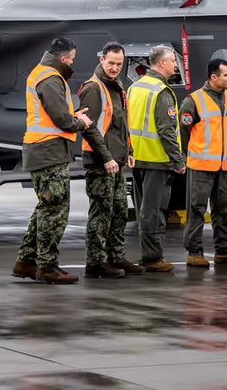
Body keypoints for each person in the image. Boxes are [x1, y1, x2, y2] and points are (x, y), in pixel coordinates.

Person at [13, 37, 102, 284]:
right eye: (71, 58)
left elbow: (54, 114)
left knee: (45, 208)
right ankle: (46, 266)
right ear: (62, 58)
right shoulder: (51, 78)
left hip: (43, 149)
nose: (72, 62)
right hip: (48, 150)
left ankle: (27, 262)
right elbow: (62, 121)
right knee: (55, 211)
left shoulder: (43, 73)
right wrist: (80, 122)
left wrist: (72, 115)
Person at [78, 42, 142, 279]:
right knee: (101, 214)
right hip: (100, 162)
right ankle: (95, 262)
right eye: (111, 63)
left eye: (119, 64)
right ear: (102, 60)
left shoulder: (117, 86)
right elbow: (88, 127)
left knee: (118, 213)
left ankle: (116, 257)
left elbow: (121, 125)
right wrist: (106, 158)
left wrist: (129, 151)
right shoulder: (93, 88)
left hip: (117, 161)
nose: (115, 68)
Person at [179, 58, 227, 268]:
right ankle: (194, 253)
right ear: (213, 77)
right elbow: (183, 133)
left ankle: (224, 251)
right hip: (200, 166)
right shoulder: (193, 101)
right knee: (196, 210)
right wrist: (190, 156)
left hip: (222, 166)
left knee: (224, 209)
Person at [127, 45, 185, 273]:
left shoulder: (134, 87)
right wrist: (178, 160)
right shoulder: (161, 91)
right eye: (173, 61)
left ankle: (148, 255)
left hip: (138, 159)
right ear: (162, 63)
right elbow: (167, 130)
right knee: (154, 211)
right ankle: (152, 258)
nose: (175, 65)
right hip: (157, 160)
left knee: (144, 210)